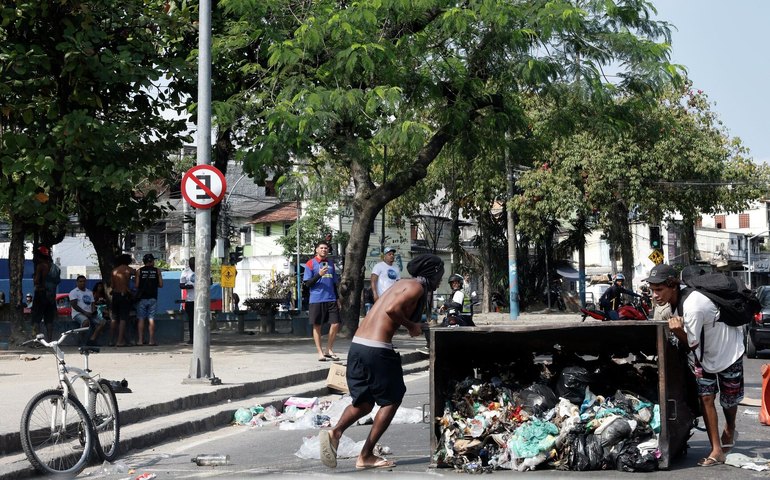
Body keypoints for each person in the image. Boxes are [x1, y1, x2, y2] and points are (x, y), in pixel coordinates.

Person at [318, 253, 444, 470]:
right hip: (377, 350)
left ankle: (335, 432)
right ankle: (365, 455)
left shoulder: (403, 284)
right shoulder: (417, 288)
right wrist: (410, 325)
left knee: (364, 403)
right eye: (440, 274)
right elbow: (392, 310)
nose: (441, 279)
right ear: (432, 273)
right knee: (392, 399)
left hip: (358, 347)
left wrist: (414, 325)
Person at [645, 263, 743, 467]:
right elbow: (694, 346)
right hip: (704, 355)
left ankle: (730, 429)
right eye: (652, 290)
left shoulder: (693, 306)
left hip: (728, 351)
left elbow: (690, 343)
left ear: (673, 286)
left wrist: (677, 330)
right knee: (706, 397)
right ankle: (716, 450)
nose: (654, 295)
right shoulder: (674, 301)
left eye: (659, 290)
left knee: (729, 400)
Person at [303, 241, 341, 361]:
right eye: (321, 248)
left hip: (331, 298)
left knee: (335, 323)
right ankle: (320, 352)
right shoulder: (310, 264)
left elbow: (335, 283)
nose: (324, 250)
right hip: (317, 299)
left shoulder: (331, 264)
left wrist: (338, 298)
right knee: (317, 326)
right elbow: (307, 283)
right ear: (316, 250)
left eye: (326, 248)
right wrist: (319, 275)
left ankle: (328, 349)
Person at [30, 246, 59, 340]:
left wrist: (35, 277)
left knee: (36, 319)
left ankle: (39, 341)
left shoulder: (41, 266)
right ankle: (50, 340)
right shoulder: (55, 267)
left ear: (39, 255)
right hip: (51, 297)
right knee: (49, 320)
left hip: (41, 294)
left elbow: (36, 281)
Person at [136, 253, 163, 346]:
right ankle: (151, 341)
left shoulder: (139, 271)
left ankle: (140, 340)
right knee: (151, 319)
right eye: (153, 260)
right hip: (153, 298)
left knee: (141, 319)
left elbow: (136, 285)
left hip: (142, 298)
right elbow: (161, 285)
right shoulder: (157, 271)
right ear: (150, 261)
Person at [69, 275, 104, 346]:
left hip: (89, 313)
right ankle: (81, 341)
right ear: (77, 282)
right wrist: (85, 312)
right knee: (86, 322)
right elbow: (74, 305)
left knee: (102, 322)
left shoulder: (89, 292)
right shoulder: (74, 292)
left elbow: (92, 303)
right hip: (78, 313)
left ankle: (92, 340)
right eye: (80, 281)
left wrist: (93, 311)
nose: (82, 283)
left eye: (84, 281)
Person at [110, 254, 135, 347]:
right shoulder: (129, 270)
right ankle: (120, 341)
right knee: (123, 319)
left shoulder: (114, 271)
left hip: (115, 295)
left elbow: (112, 286)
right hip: (124, 295)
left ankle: (111, 340)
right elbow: (136, 281)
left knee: (114, 318)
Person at [179, 257, 196, 344]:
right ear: (189, 265)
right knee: (191, 320)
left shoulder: (203, 269)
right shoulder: (185, 272)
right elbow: (181, 285)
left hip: (201, 300)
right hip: (190, 300)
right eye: (192, 266)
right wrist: (187, 286)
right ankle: (192, 338)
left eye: (194, 265)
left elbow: (210, 282)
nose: (193, 268)